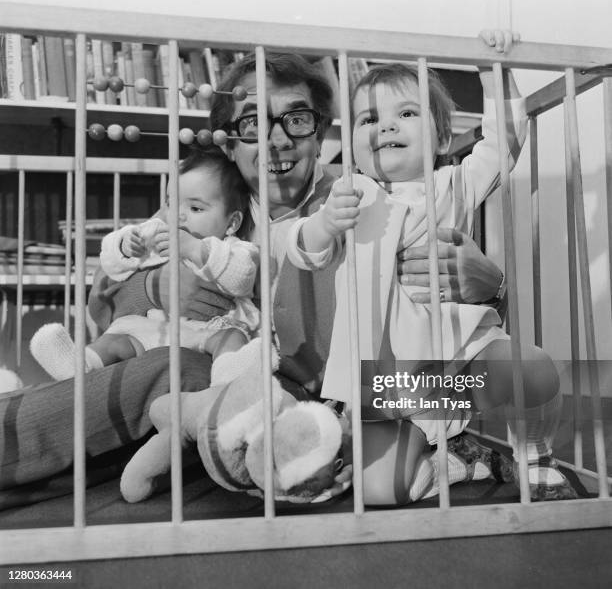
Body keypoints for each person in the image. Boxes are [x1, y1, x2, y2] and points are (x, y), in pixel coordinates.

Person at [0, 51, 509, 505]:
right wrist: (162, 286)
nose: (276, 139)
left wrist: (494, 286)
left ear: (325, 131)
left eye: (298, 119)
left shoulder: (361, 195)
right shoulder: (203, 205)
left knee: (172, 373)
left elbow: (432, 311)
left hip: (324, 392)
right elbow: (108, 301)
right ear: (227, 142)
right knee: (160, 378)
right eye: (251, 124)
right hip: (212, 381)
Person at [286, 30, 576, 502]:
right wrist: (323, 225)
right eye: (368, 119)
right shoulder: (349, 196)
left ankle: (535, 456)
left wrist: (491, 67)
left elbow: (504, 142)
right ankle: (461, 462)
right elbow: (304, 251)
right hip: (389, 380)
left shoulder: (452, 185)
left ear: (442, 136)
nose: (386, 127)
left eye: (406, 114)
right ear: (351, 143)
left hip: (460, 360)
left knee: (533, 368)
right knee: (381, 491)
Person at [29, 146, 262, 385]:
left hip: (206, 334)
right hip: (154, 329)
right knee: (116, 341)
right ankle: (80, 365)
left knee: (233, 339)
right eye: (171, 203)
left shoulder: (234, 247)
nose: (178, 216)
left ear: (232, 222)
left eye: (195, 208)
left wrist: (193, 248)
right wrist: (125, 246)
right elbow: (111, 265)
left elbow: (241, 277)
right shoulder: (158, 233)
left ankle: (228, 383)